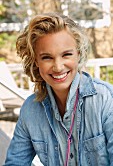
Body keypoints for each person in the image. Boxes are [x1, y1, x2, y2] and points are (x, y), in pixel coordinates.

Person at [4, 12, 113, 166]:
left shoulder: (106, 99)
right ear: (36, 61)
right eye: (47, 57)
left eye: (66, 54)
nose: (58, 67)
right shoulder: (30, 110)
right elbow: (15, 162)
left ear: (78, 54)